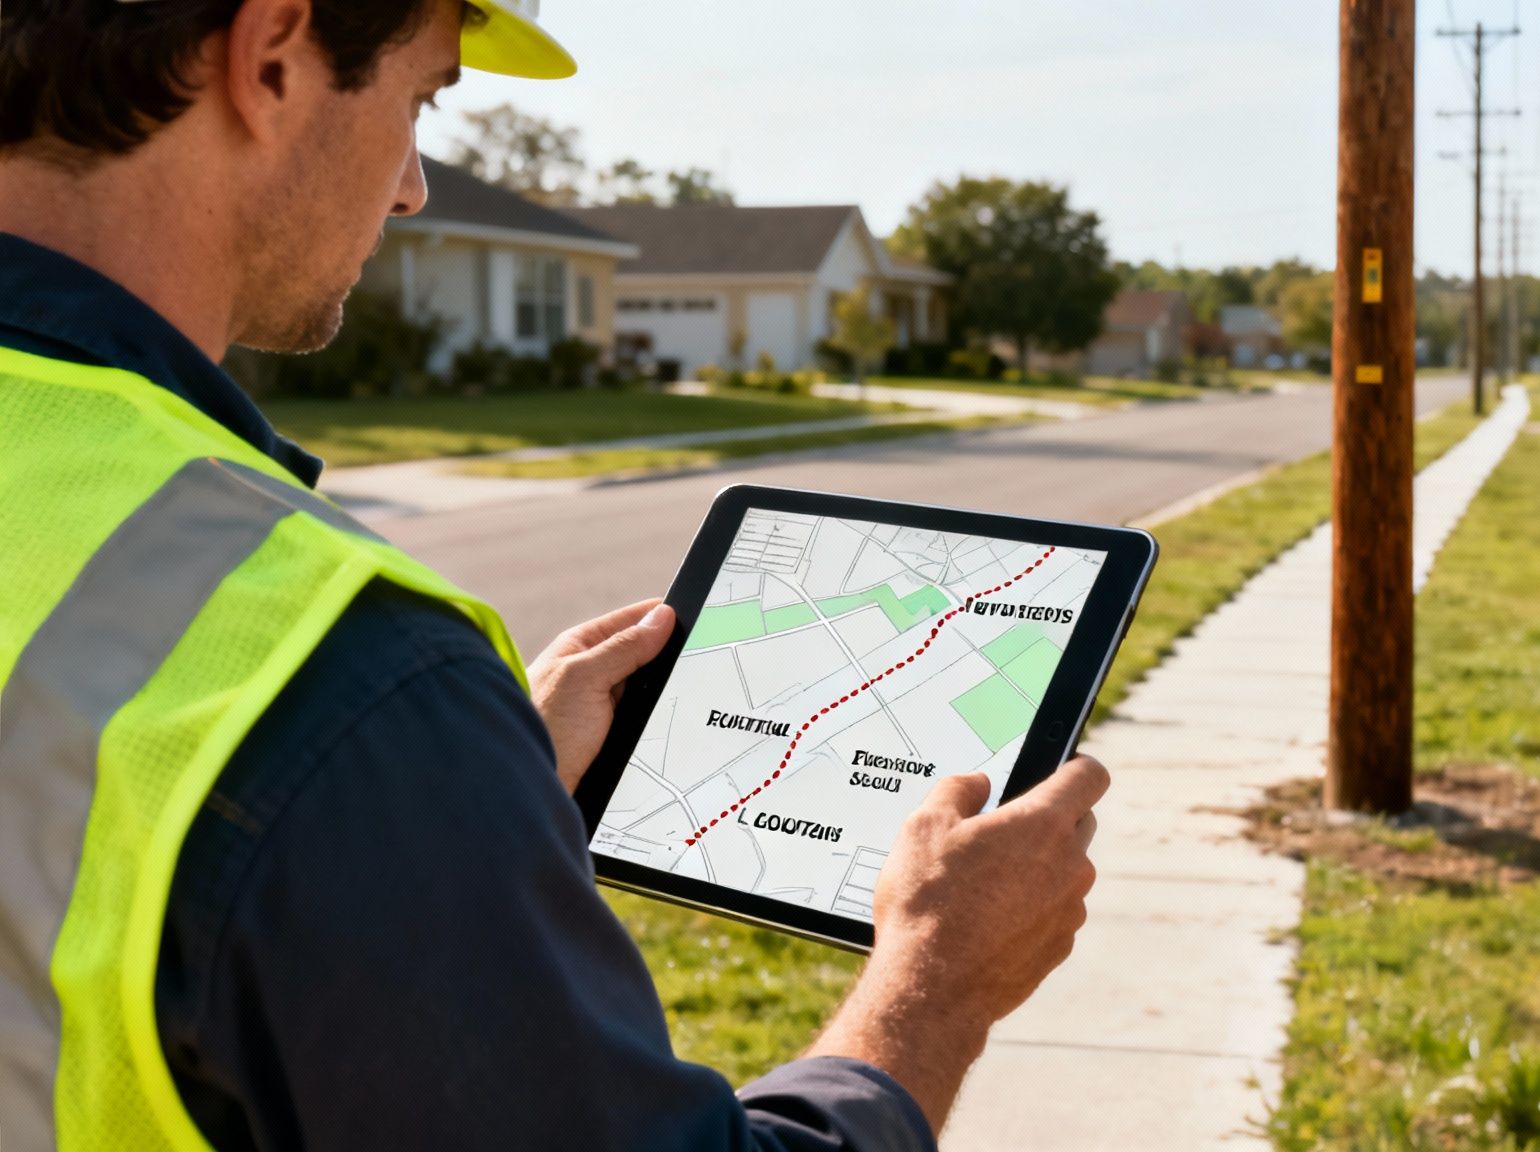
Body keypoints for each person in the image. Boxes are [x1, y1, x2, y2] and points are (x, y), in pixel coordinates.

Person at [0, 1, 1108, 1147]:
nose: (412, 188)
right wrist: (938, 979)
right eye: (420, 99)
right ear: (272, 54)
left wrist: (442, 806)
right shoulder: (339, 680)